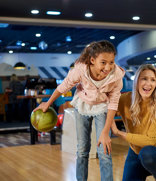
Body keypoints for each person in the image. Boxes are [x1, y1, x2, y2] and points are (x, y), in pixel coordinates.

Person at [33, 40, 125, 181]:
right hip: (82, 104)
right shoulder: (81, 70)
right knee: (83, 149)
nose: (108, 67)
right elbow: (64, 86)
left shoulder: (116, 76)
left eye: (111, 62)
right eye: (103, 62)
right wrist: (48, 103)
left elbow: (113, 102)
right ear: (92, 60)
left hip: (102, 106)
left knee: (104, 151)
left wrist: (106, 132)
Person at [111, 64, 156, 181]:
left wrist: (118, 133)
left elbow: (150, 141)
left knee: (147, 153)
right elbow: (107, 104)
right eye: (144, 78)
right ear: (137, 81)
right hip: (134, 154)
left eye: (153, 80)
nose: (148, 84)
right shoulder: (125, 99)